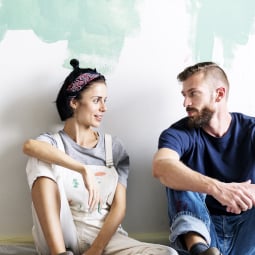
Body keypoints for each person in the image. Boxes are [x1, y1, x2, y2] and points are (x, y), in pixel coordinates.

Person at [23, 59, 178, 255]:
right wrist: (82, 169)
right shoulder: (53, 143)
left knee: (168, 254)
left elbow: (119, 207)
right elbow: (29, 146)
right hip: (61, 235)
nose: (104, 108)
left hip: (104, 237)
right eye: (97, 100)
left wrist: (96, 249)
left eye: (105, 101)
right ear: (74, 102)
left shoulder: (114, 148)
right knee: (39, 159)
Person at [152, 61, 255, 255]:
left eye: (193, 93)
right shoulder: (179, 133)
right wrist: (217, 189)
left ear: (219, 94)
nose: (186, 103)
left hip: (247, 231)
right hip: (204, 229)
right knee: (175, 174)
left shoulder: (251, 130)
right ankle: (200, 251)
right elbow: (161, 166)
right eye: (184, 95)